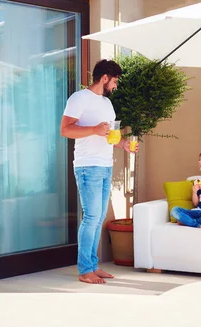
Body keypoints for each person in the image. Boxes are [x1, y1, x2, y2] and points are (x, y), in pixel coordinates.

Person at [60, 59, 138, 284]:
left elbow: (110, 135)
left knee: (99, 217)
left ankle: (93, 265)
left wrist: (123, 144)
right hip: (88, 166)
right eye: (114, 81)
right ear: (104, 78)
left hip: (105, 164)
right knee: (92, 217)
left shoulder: (106, 104)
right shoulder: (79, 98)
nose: (115, 86)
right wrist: (94, 129)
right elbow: (65, 129)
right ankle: (85, 270)